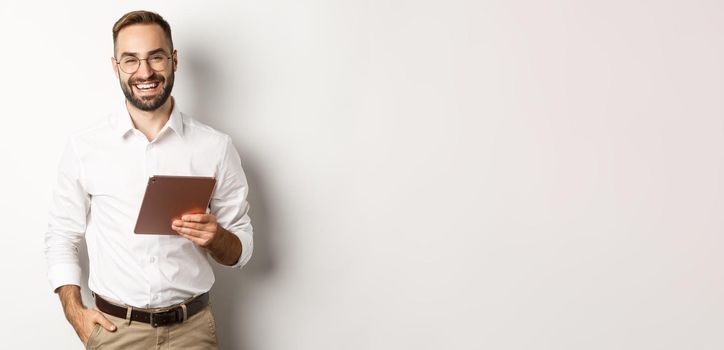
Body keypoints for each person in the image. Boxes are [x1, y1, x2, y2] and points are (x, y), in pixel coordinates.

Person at [44, 10, 253, 349]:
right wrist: (75, 311)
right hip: (115, 332)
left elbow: (241, 249)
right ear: (116, 67)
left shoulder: (215, 147)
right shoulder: (85, 147)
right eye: (131, 60)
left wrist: (216, 238)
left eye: (156, 57)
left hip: (193, 333)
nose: (145, 72)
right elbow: (61, 235)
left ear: (173, 60)